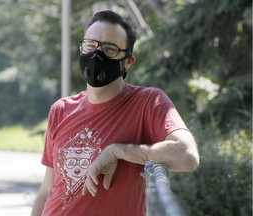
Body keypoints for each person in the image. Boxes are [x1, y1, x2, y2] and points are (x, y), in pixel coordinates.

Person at [31, 10, 199, 216]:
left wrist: (118, 151)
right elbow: (47, 190)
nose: (96, 55)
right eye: (90, 45)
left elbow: (187, 156)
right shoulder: (61, 109)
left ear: (128, 61)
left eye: (109, 49)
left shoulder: (147, 102)